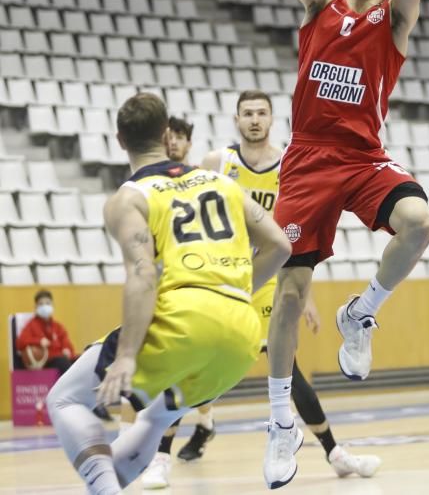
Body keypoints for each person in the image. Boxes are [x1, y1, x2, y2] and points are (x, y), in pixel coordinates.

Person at [263, 0, 429, 489]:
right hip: (306, 161)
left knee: (418, 221)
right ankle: (282, 421)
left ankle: (361, 312)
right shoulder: (319, 8)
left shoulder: (394, 22)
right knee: (286, 298)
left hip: (361, 157)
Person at [46, 92, 291, 495]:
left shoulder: (129, 198)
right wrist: (234, 293)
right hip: (241, 334)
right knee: (156, 421)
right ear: (165, 134)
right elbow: (281, 246)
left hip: (185, 319)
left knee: (64, 401)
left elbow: (142, 275)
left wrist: (126, 356)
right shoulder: (219, 181)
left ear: (120, 140)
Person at [144, 90, 380, 489]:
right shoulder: (217, 163)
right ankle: (161, 457)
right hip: (225, 278)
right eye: (247, 113)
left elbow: (302, 232)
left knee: (288, 367)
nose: (254, 119)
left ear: (273, 119)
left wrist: (307, 297)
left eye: (261, 113)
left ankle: (334, 452)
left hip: (271, 277)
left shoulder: (291, 163)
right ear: (236, 120)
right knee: (189, 360)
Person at [16, 289, 75, 375]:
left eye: (47, 303)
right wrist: (39, 341)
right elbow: (20, 342)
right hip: (47, 362)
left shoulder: (58, 326)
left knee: (80, 360)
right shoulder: (31, 325)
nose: (44, 306)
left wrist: (67, 350)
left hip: (62, 358)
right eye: (41, 304)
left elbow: (67, 343)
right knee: (63, 362)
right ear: (36, 307)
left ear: (52, 306)